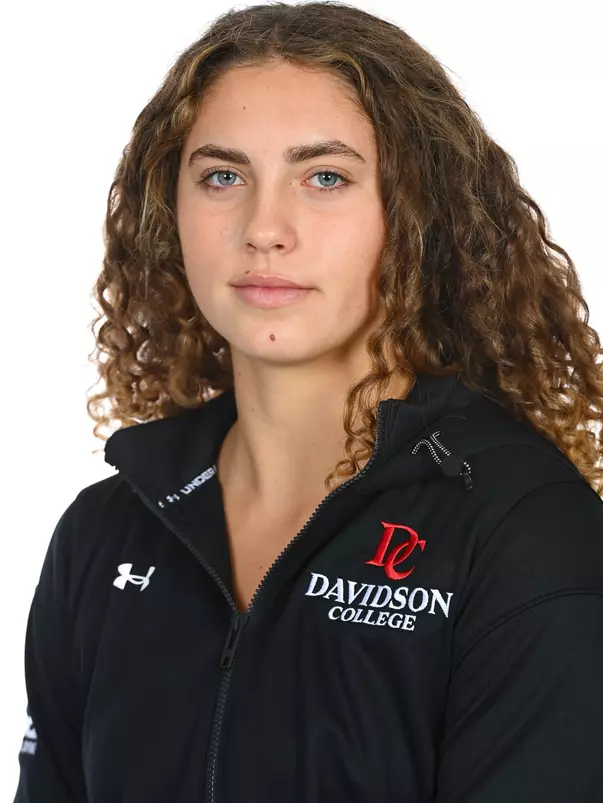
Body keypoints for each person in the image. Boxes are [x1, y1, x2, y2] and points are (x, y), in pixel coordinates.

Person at [13, 2, 603, 801]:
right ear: (169, 214)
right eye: (223, 176)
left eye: (324, 177)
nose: (265, 227)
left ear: (419, 217)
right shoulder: (104, 536)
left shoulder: (523, 532)